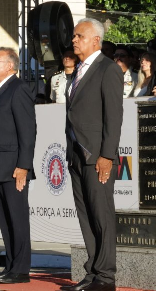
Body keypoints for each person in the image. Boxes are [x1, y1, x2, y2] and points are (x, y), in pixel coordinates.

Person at [61, 18, 123, 291]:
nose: (74, 40)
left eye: (79, 36)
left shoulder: (107, 69)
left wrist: (106, 155)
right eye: (74, 36)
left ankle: (106, 277)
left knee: (101, 215)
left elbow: (114, 117)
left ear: (95, 40)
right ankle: (93, 271)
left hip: (96, 155)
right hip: (75, 155)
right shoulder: (78, 71)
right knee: (85, 216)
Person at [0, 47, 37, 284]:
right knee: (5, 220)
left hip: (14, 167)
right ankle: (11, 266)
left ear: (10, 66)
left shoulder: (19, 88)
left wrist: (24, 165)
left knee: (17, 218)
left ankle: (21, 269)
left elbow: (28, 130)